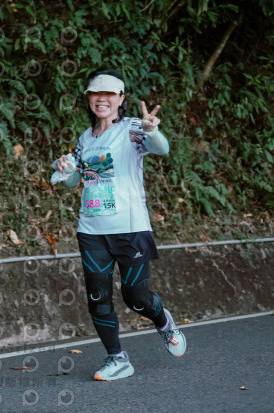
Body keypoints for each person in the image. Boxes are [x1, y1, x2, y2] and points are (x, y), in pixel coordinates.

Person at [51, 68, 186, 381]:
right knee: (97, 299)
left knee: (136, 298)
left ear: (121, 98)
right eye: (96, 94)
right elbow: (73, 181)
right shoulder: (85, 139)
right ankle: (117, 358)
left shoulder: (133, 128)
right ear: (89, 99)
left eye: (109, 94)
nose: (102, 99)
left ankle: (163, 322)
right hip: (91, 231)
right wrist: (64, 168)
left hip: (130, 230)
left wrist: (152, 130)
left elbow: (162, 148)